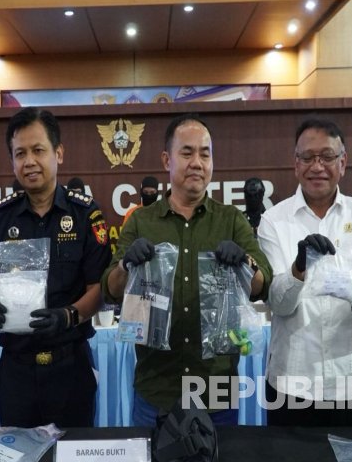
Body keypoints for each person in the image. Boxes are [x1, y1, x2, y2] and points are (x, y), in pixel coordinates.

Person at [102, 113, 271, 426]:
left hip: (217, 392)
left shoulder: (231, 220)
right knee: (152, 461)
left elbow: (263, 284)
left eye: (205, 154)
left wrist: (244, 263)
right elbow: (110, 290)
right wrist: (127, 264)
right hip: (157, 390)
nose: (197, 163)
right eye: (187, 153)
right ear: (167, 159)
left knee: (223, 460)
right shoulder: (141, 221)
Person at [0, 107, 112, 427]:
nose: (29, 161)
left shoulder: (85, 214)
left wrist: (68, 316)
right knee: (16, 454)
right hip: (16, 369)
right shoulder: (0, 217)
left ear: (58, 153)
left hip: (70, 366)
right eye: (20, 153)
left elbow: (100, 289)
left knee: (72, 457)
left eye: (38, 150)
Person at [257, 118, 352, 426]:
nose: (317, 166)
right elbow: (278, 305)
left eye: (327, 156)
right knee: (288, 460)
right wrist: (298, 269)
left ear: (343, 162)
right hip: (291, 381)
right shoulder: (273, 220)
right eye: (307, 157)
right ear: (296, 164)